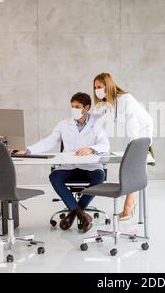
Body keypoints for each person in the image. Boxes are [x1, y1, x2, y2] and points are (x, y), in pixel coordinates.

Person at [13, 93, 109, 233]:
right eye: (72, 106)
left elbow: (105, 145)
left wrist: (91, 149)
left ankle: (73, 214)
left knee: (99, 178)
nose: (73, 109)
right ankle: (82, 215)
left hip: (91, 166)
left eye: (77, 107)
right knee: (54, 177)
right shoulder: (64, 124)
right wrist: (28, 150)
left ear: (87, 108)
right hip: (70, 166)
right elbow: (49, 141)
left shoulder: (96, 124)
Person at [92, 73, 154, 221]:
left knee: (133, 167)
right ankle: (130, 203)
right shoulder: (108, 103)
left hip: (142, 131)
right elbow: (96, 119)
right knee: (131, 167)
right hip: (132, 133)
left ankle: (129, 205)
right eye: (95, 88)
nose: (97, 90)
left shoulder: (125, 99)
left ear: (108, 86)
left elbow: (132, 124)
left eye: (99, 87)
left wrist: (133, 149)